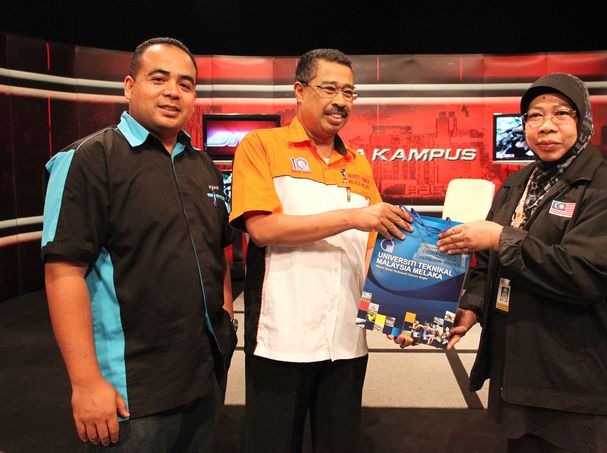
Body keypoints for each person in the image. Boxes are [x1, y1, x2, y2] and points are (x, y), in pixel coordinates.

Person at [41, 37, 237, 452]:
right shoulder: (89, 158)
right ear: (129, 86)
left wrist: (225, 323)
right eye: (159, 79)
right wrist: (85, 382)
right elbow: (63, 271)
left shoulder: (202, 165)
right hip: (133, 390)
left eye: (185, 84)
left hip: (205, 374)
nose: (173, 91)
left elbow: (218, 250)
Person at [437, 72, 607, 452]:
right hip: (519, 367)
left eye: (561, 113)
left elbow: (587, 274)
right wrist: (472, 305)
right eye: (534, 115)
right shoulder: (517, 183)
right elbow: (487, 261)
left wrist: (501, 237)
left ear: (583, 121)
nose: (546, 126)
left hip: (579, 376)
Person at [229, 48, 413, 452]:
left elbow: (371, 251)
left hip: (347, 338)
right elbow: (262, 229)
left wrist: (396, 315)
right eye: (329, 89)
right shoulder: (261, 146)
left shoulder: (358, 164)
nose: (341, 101)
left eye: (349, 92)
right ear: (299, 91)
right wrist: (352, 217)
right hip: (281, 337)